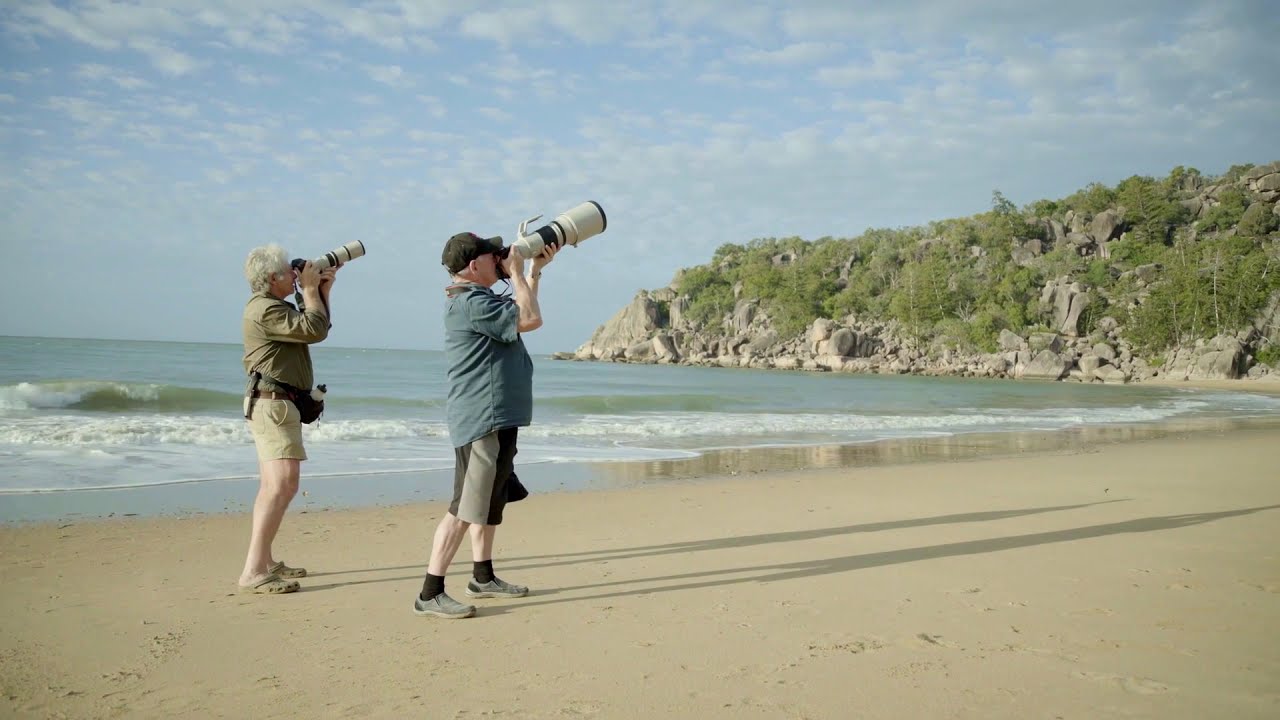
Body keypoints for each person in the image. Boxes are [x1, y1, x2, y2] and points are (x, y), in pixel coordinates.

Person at [414, 232, 557, 618]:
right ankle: (429, 592)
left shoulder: (480, 300)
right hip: (483, 419)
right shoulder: (469, 303)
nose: (499, 259)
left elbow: (520, 309)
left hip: (498, 415)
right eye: (492, 257)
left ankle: (483, 576)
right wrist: (518, 270)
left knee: (490, 502)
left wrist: (532, 272)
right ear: (474, 266)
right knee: (464, 506)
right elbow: (531, 318)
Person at [238, 245, 336, 594]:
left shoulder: (275, 307)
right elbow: (313, 329)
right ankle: (254, 570)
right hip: (272, 405)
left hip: (279, 404)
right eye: (287, 272)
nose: (293, 275)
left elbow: (318, 325)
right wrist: (310, 291)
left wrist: (322, 291)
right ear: (270, 279)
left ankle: (264, 560)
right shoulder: (264, 310)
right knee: (281, 485)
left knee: (279, 486)